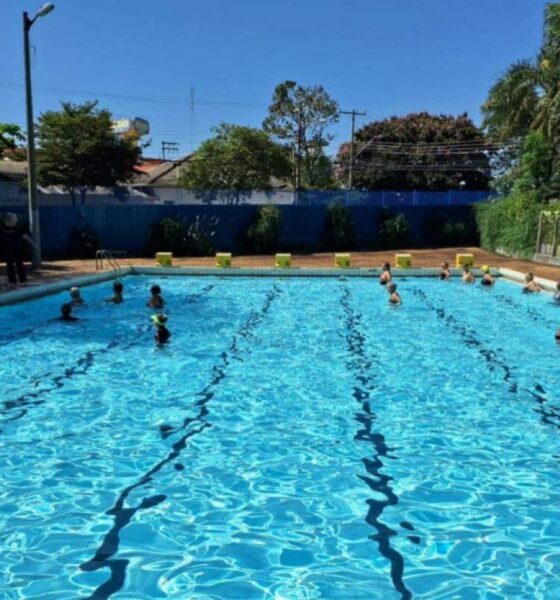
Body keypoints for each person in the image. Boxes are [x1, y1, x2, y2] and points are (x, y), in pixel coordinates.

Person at [0, 213, 34, 289]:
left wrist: (33, 244)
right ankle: (12, 282)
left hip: (17, 250)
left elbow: (25, 236)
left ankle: (23, 281)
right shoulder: (3, 229)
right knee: (10, 266)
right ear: (10, 220)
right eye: (15, 219)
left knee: (20, 265)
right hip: (8, 251)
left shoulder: (18, 229)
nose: (16, 220)